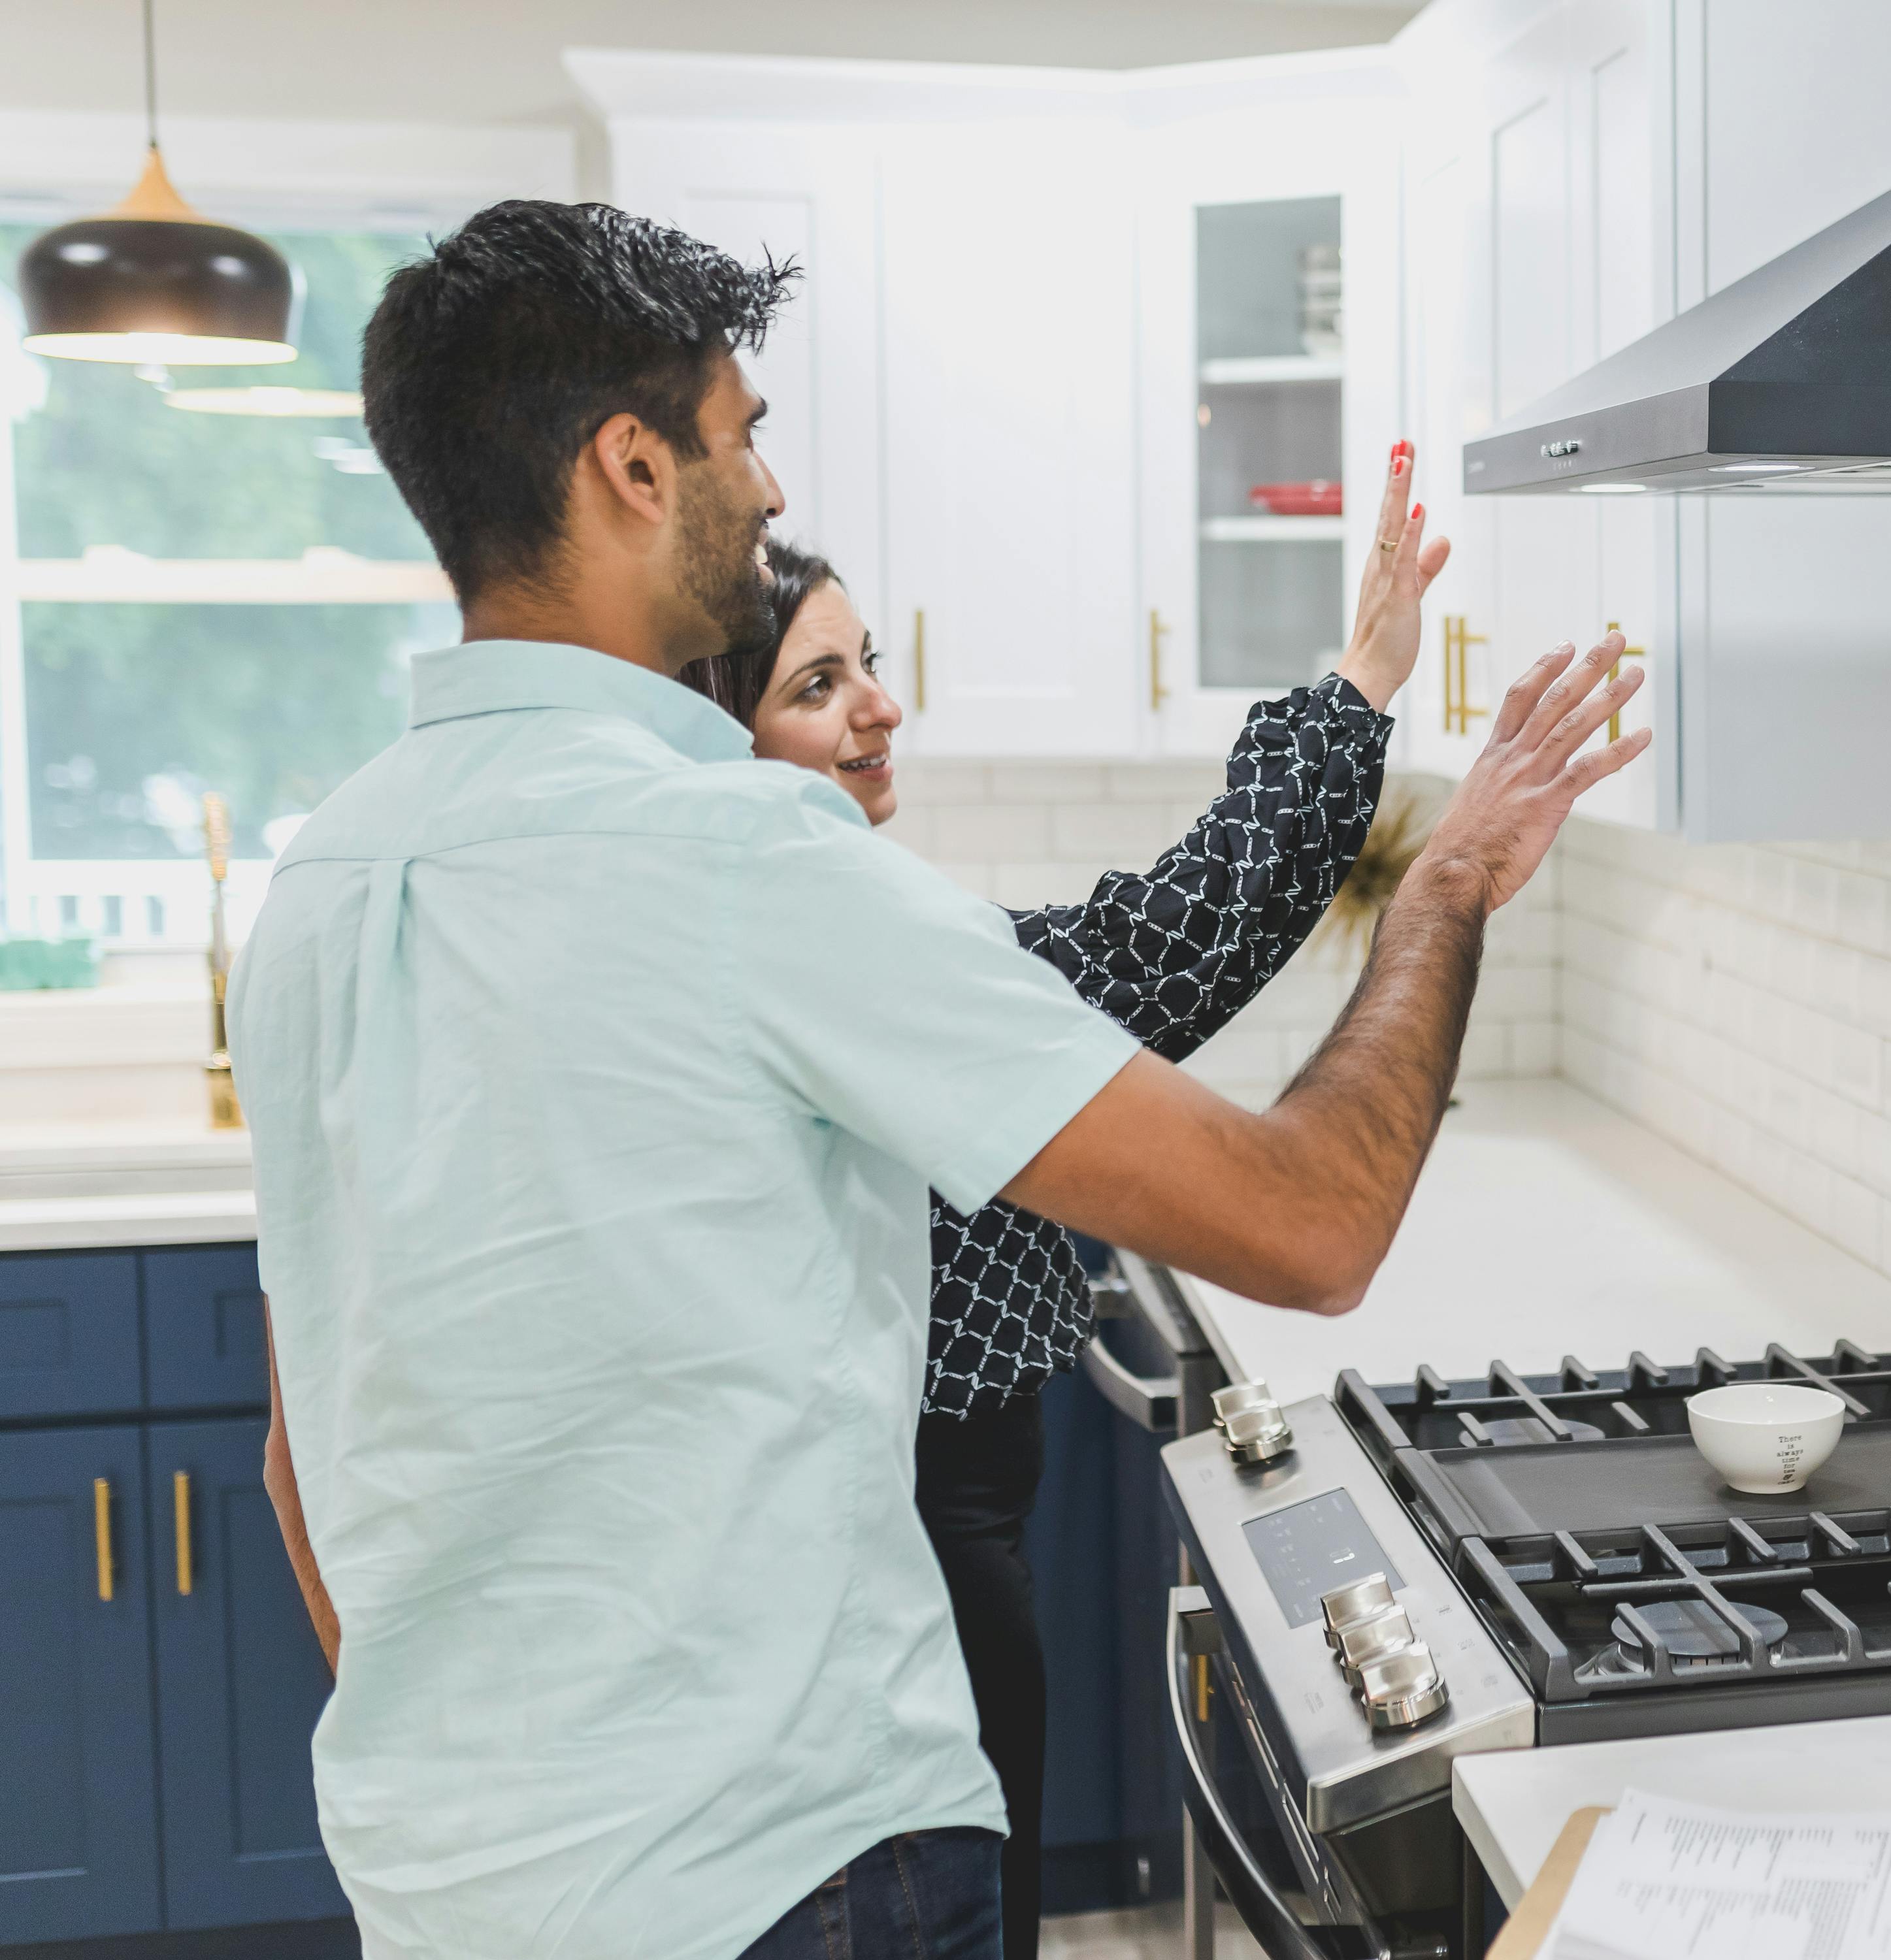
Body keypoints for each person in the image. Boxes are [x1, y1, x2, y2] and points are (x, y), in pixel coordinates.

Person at [236, 199, 1645, 1960]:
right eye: (739, 435)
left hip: (451, 1899)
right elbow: (1314, 1222)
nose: (763, 490)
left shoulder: (316, 886)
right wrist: (1436, 886)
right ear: (630, 468)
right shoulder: (745, 860)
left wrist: (500, 1807)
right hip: (789, 1875)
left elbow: (305, 1459)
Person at [676, 459, 1440, 1960]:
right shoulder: (849, 959)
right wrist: (1359, 688)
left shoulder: (789, 943)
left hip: (901, 1541)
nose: (879, 707)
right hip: (918, 1549)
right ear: (725, 746)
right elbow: (1181, 938)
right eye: (818, 686)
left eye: (869, 665)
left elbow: (1156, 943)